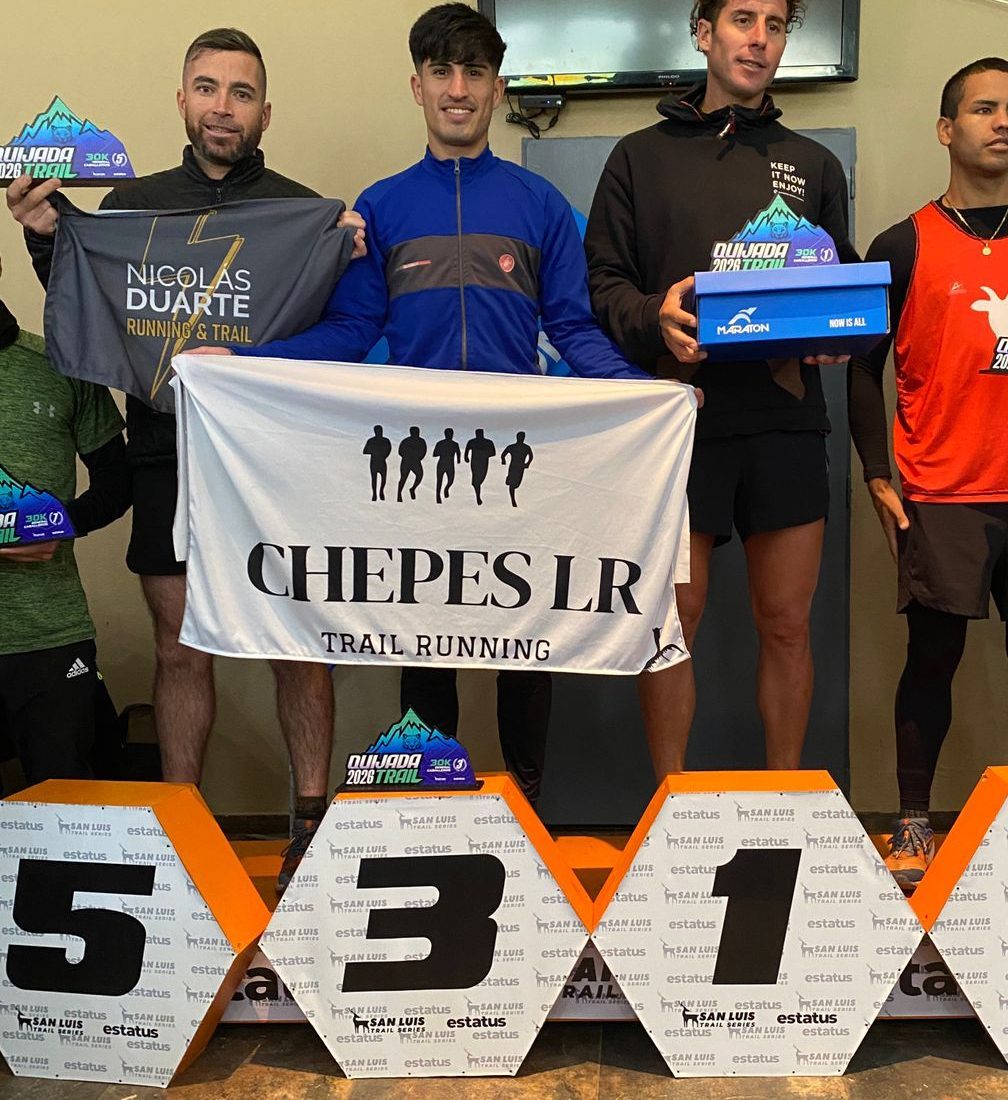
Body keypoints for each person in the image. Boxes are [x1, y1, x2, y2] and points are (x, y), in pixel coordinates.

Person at [208, 3, 657, 808]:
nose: (458, 89)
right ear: (417, 86)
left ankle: (530, 812)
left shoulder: (540, 205)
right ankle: (428, 813)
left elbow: (572, 329)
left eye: (475, 73)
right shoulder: (379, 208)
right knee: (425, 641)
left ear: (496, 89)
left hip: (518, 469)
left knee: (529, 645)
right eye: (442, 72)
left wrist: (646, 395)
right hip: (418, 476)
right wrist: (244, 364)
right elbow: (351, 331)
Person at [6, 27, 365, 892]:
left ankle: (308, 829)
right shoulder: (130, 206)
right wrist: (50, 239)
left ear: (265, 112)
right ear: (182, 100)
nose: (223, 107)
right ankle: (182, 835)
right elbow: (93, 309)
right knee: (178, 650)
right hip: (164, 453)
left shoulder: (304, 211)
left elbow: (344, 334)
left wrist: (345, 252)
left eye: (241, 93)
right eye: (207, 88)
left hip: (277, 462)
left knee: (298, 643)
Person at [584, 0, 856, 779]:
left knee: (788, 622)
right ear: (704, 33)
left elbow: (840, 282)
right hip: (678, 417)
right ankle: (672, 802)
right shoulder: (637, 157)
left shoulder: (814, 164)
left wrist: (840, 329)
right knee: (674, 621)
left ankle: (783, 798)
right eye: (742, 19)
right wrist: (653, 317)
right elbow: (602, 284)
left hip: (786, 418)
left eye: (775, 24)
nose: (759, 39)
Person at [849, 58, 1008, 893]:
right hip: (943, 492)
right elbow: (861, 366)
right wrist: (878, 474)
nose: (1002, 121)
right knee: (932, 659)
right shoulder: (901, 244)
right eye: (984, 108)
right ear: (948, 130)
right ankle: (914, 822)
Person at [0, 253, 131, 790]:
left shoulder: (58, 365)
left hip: (48, 633)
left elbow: (118, 483)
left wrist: (58, 522)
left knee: (65, 807)